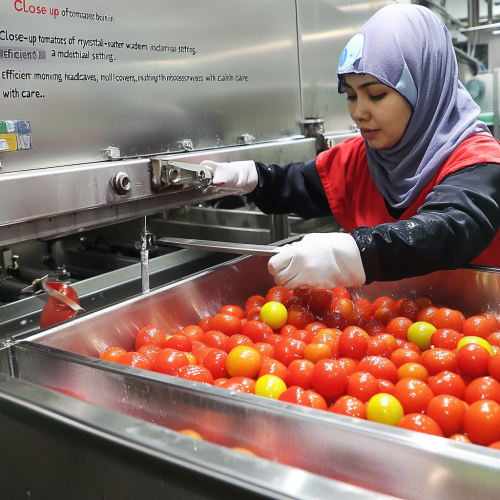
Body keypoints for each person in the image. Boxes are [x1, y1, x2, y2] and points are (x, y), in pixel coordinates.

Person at [201, 4, 500, 290]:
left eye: (377, 94)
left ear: (425, 89)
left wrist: (355, 253)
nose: (359, 112)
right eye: (351, 95)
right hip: (383, 333)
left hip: (474, 333)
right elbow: (301, 184)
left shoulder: (479, 164)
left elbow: (449, 229)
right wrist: (252, 177)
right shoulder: (362, 158)